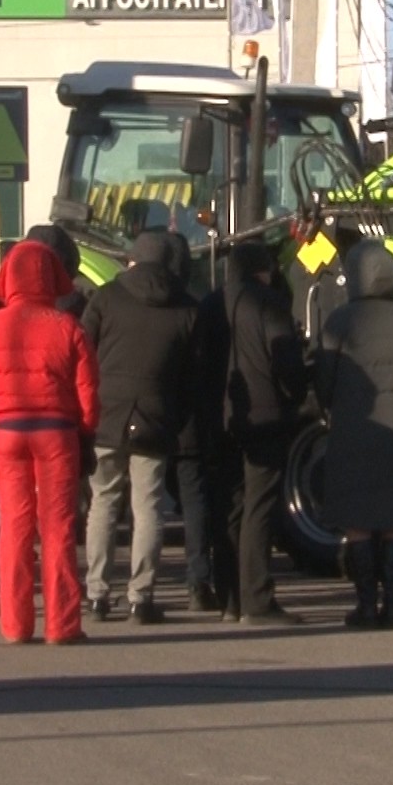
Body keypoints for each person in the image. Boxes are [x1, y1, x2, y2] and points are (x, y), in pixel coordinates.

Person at [0, 240, 99, 645]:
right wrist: (86, 429)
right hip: (56, 432)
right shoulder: (68, 327)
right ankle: (62, 624)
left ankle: (15, 623)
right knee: (57, 528)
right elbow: (88, 392)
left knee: (14, 526)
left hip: (7, 432)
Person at [81, 230, 197, 625]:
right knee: (147, 506)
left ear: (132, 260)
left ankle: (97, 593)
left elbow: (84, 350)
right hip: (156, 414)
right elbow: (190, 372)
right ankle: (140, 597)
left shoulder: (106, 297)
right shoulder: (186, 307)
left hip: (107, 413)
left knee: (104, 501)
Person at [197, 241, 308, 625]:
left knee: (229, 507)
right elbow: (286, 362)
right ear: (264, 270)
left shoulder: (210, 304)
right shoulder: (268, 303)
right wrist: (295, 395)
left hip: (219, 417)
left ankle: (230, 598)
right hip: (264, 417)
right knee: (259, 507)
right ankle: (258, 599)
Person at [317, 240, 393, 629]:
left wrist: (327, 408)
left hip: (355, 429)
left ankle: (365, 604)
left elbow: (324, 379)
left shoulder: (340, 320)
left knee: (358, 520)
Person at [164, 232, 229, 613]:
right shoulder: (197, 310)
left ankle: (118, 590)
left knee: (129, 500)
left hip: (135, 421)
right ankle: (198, 579)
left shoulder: (112, 302)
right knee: (194, 501)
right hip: (189, 421)